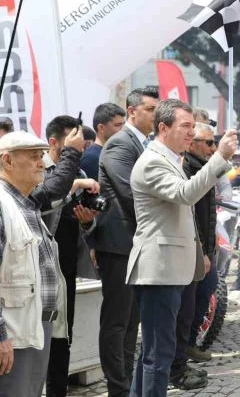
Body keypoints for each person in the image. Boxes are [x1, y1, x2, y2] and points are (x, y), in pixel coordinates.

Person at [127, 100, 237, 397]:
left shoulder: (171, 158)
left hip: (171, 268)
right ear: (163, 128)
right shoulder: (153, 161)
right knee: (158, 354)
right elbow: (185, 194)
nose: (192, 133)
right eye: (185, 126)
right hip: (159, 270)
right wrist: (220, 157)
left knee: (154, 352)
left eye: (192, 126)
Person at [93, 86, 158, 397]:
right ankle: (117, 388)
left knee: (132, 322)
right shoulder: (120, 143)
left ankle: (128, 384)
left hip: (137, 244)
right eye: (150, 109)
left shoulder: (144, 143)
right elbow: (130, 193)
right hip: (118, 244)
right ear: (132, 111)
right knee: (117, 322)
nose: (156, 115)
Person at [0, 132, 69, 397]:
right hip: (13, 332)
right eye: (33, 157)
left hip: (35, 325)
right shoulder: (3, 204)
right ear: (7, 161)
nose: (42, 162)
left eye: (41, 155)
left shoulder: (26, 203)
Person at [44, 116, 102, 397]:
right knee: (40, 338)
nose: (77, 149)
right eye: (71, 144)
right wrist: (74, 183)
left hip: (66, 270)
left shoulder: (77, 170)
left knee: (62, 337)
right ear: (53, 142)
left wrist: (88, 221)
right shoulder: (40, 170)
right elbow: (42, 203)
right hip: (41, 271)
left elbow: (84, 226)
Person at [169, 123, 219, 384]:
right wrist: (201, 250)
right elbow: (190, 214)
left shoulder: (202, 166)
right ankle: (177, 363)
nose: (213, 148)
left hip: (204, 246)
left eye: (214, 142)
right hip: (192, 248)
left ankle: (185, 351)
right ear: (193, 143)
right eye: (209, 143)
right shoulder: (186, 167)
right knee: (183, 310)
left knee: (202, 295)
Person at [81, 103, 126, 181]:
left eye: (123, 124)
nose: (123, 129)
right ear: (101, 128)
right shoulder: (91, 158)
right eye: (118, 125)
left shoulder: (114, 152)